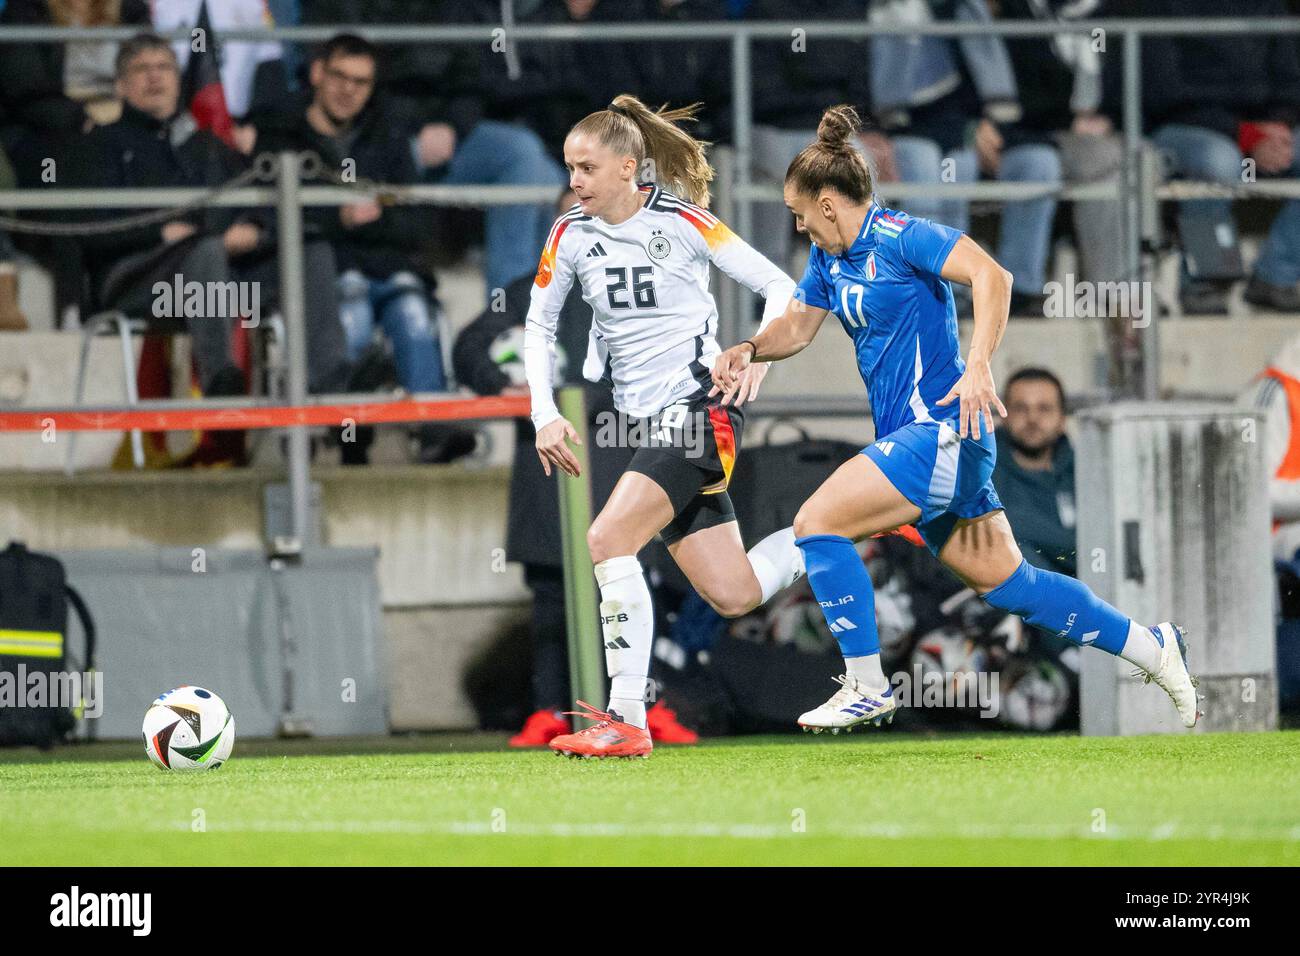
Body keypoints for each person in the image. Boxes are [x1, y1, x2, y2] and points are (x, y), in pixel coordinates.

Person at [711, 105, 1200, 733]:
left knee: (817, 523)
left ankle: (864, 684)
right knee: (1014, 586)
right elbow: (796, 329)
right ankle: (1153, 647)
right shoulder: (830, 262)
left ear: (829, 203)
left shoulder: (902, 235)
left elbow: (991, 275)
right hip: (929, 446)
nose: (799, 225)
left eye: (800, 212)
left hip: (942, 435)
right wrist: (751, 346)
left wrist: (978, 365)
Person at [526, 94, 807, 759]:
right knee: (734, 591)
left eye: (587, 168)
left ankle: (625, 719)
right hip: (649, 424)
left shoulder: (685, 222)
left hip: (699, 411)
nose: (575, 181)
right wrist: (543, 414)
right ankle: (834, 529)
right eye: (570, 167)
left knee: (608, 536)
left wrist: (757, 357)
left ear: (629, 167)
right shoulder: (570, 232)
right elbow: (537, 326)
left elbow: (780, 288)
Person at [72, 35, 351, 410]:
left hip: (221, 286)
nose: (155, 78)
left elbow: (261, 198)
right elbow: (88, 231)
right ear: (121, 86)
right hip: (144, 288)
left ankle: (332, 387)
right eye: (141, 70)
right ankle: (222, 385)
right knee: (204, 250)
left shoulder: (207, 145)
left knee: (311, 250)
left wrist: (254, 227)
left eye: (164, 68)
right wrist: (158, 233)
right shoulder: (99, 145)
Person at [254, 33, 474, 465]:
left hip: (389, 267)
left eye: (361, 81)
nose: (348, 90)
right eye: (339, 76)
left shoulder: (387, 137)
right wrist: (343, 218)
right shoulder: (282, 138)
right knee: (350, 312)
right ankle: (352, 436)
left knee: (414, 312)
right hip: (323, 275)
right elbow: (271, 223)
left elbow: (413, 223)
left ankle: (435, 432)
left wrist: (363, 220)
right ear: (317, 73)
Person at [992, 367, 1077, 577]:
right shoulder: (980, 473)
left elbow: (1105, 546)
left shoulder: (1085, 473)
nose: (1032, 419)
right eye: (1020, 408)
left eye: (1044, 409)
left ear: (1062, 418)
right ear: (1004, 416)